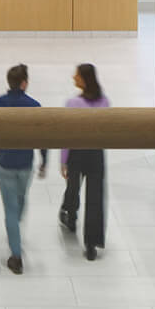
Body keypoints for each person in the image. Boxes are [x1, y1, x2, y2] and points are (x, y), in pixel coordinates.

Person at [0, 64, 46, 274]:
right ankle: (15, 235)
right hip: (26, 164)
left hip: (5, 164)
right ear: (24, 83)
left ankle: (16, 253)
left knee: (10, 208)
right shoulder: (34, 106)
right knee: (21, 200)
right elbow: (43, 136)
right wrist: (44, 159)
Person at [58, 63, 110, 261]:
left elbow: (66, 135)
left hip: (77, 153)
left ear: (84, 79)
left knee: (73, 187)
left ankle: (70, 216)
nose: (73, 77)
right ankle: (91, 244)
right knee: (95, 197)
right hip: (96, 153)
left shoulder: (72, 104)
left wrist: (64, 161)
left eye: (76, 75)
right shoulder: (104, 102)